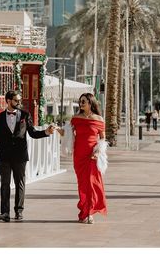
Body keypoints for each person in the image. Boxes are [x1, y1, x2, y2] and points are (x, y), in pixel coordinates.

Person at [0, 89, 54, 222]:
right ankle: (5, 213)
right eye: (16, 100)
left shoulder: (25, 115)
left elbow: (33, 133)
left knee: (20, 184)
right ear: (8, 101)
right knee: (4, 184)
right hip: (4, 156)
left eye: (19, 100)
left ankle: (19, 211)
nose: (19, 102)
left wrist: (46, 132)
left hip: (20, 156)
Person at [57, 92, 107, 224]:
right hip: (79, 155)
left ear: (90, 103)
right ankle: (84, 211)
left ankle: (90, 213)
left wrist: (98, 152)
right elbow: (66, 133)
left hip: (92, 155)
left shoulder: (99, 119)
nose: (81, 104)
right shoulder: (76, 118)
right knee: (83, 185)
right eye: (80, 101)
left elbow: (102, 138)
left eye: (83, 101)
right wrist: (57, 129)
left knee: (92, 184)